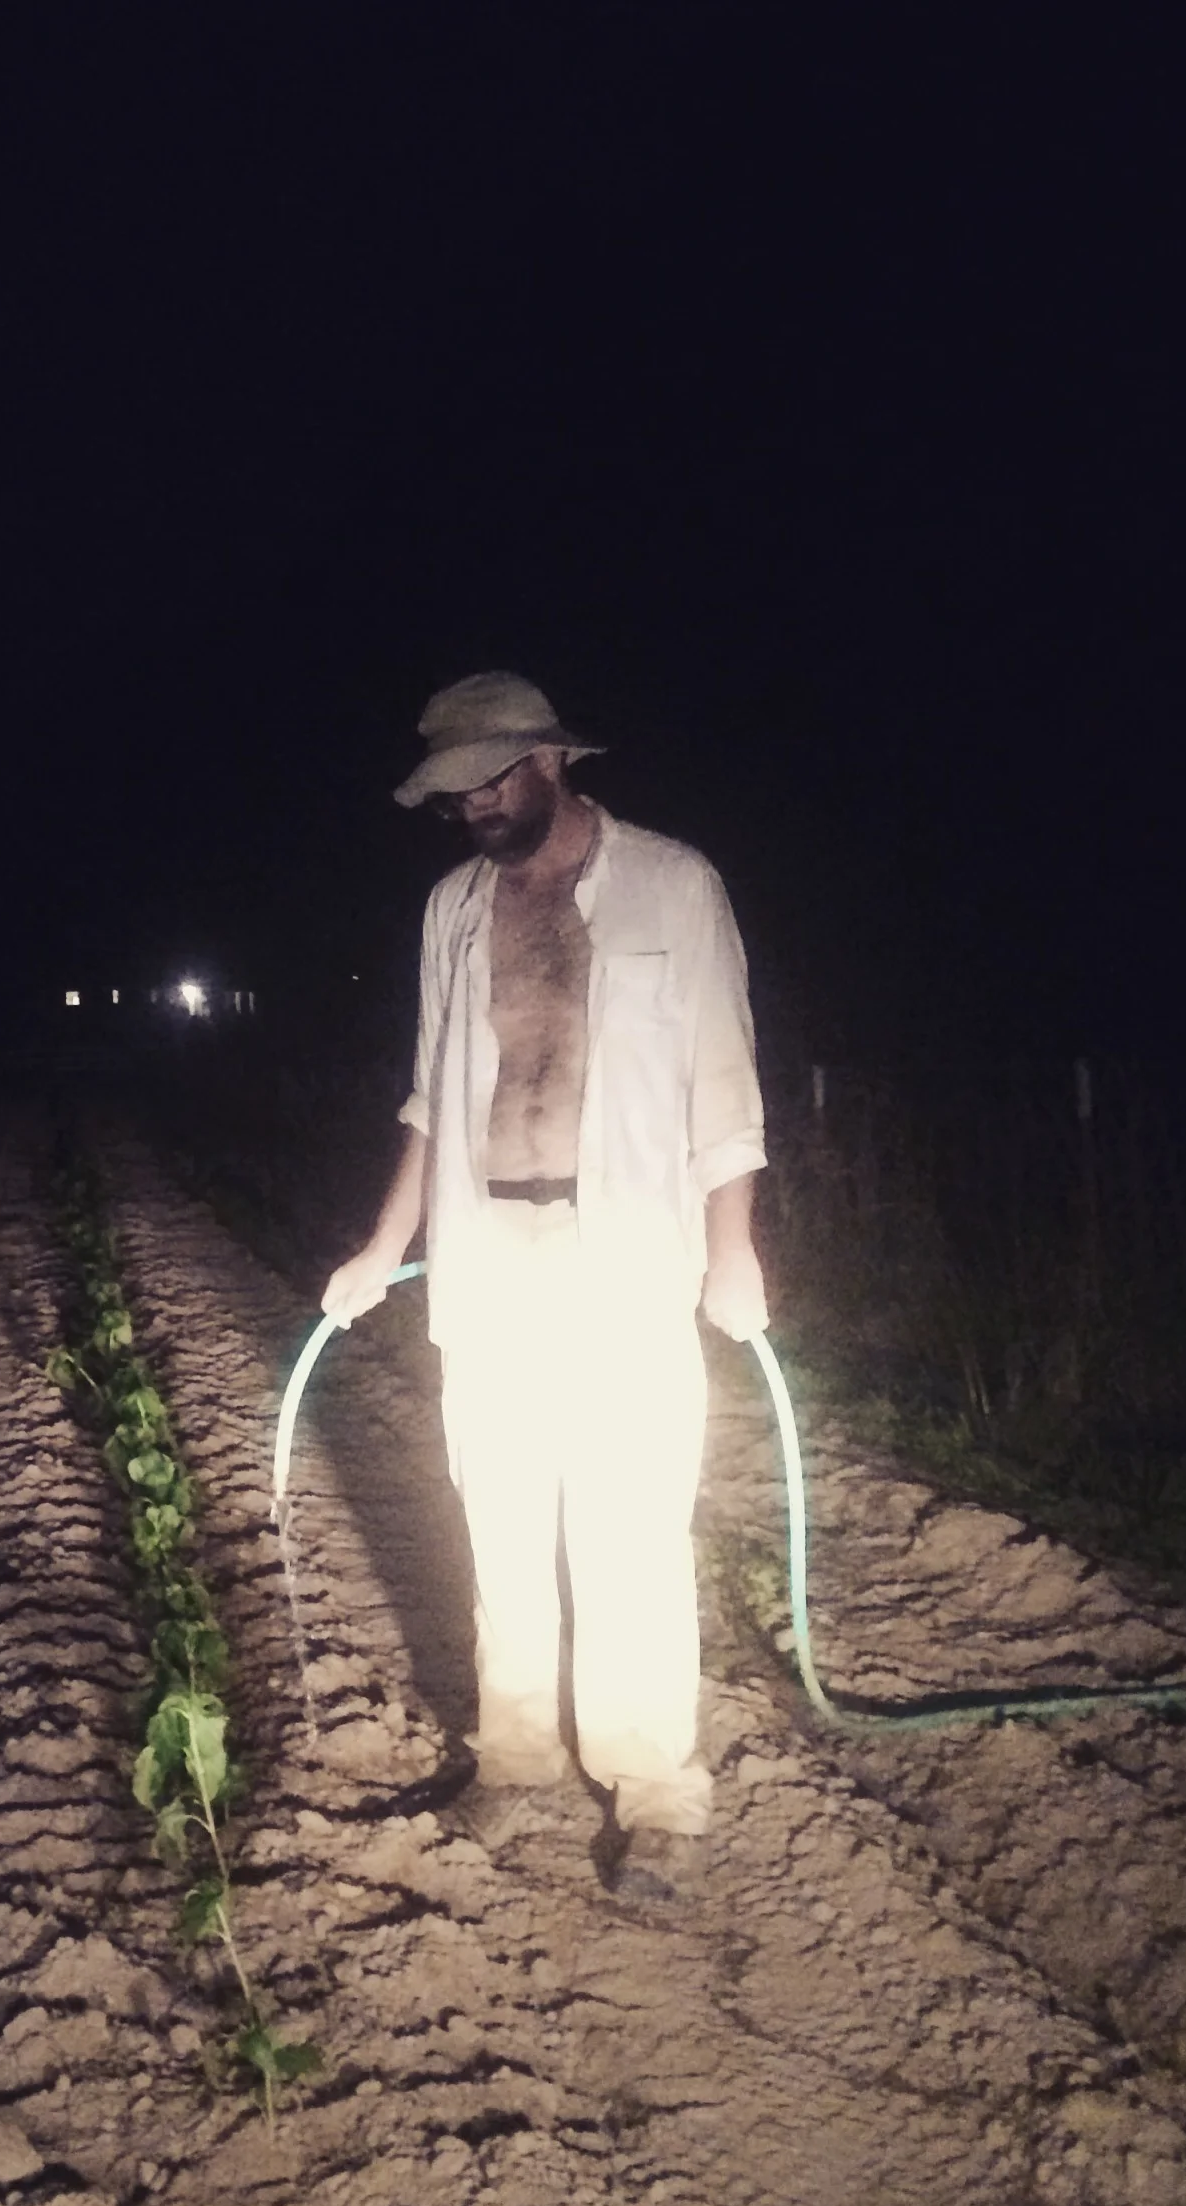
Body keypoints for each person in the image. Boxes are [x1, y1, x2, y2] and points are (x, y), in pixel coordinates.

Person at [322, 672, 768, 1884]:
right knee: (503, 1522)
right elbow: (429, 1097)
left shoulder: (675, 886)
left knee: (629, 1526)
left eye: (489, 781)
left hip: (624, 1258)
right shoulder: (452, 911)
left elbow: (726, 1087)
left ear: (553, 760)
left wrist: (734, 1250)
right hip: (486, 1262)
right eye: (451, 793)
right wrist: (383, 1247)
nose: (470, 807)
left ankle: (657, 1797)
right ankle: (515, 1761)